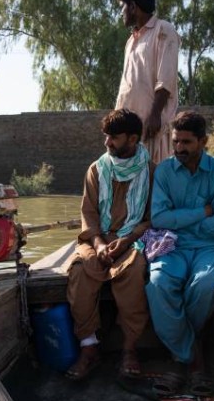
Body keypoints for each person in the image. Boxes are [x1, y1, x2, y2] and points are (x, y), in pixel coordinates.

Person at [65, 109, 155, 380]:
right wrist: (99, 243)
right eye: (106, 137)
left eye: (114, 138)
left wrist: (126, 240)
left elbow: (151, 218)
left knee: (134, 269)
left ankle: (129, 349)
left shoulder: (152, 171)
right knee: (81, 269)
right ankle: (89, 348)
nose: (107, 143)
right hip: (97, 238)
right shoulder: (96, 169)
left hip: (133, 239)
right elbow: (89, 214)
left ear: (133, 138)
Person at [145, 111, 214, 368]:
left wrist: (181, 220)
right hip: (172, 244)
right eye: (175, 141)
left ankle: (181, 351)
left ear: (203, 141)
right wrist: (201, 212)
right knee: (158, 283)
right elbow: (160, 219)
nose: (178, 148)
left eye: (186, 142)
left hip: (211, 245)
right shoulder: (164, 172)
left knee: (204, 284)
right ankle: (189, 352)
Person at [115, 0, 180, 164]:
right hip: (127, 132)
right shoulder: (130, 42)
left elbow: (165, 77)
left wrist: (155, 115)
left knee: (153, 185)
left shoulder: (164, 30)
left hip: (152, 129)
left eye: (123, 7)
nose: (121, 13)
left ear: (133, 6)